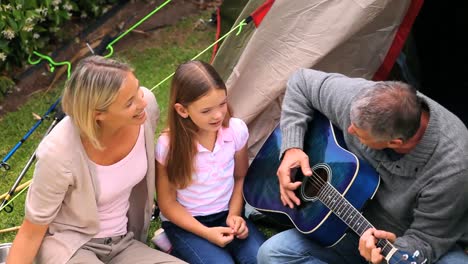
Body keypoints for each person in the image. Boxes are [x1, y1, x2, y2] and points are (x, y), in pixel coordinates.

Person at [257, 68, 468, 264]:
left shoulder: (453, 168)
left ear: (395, 143)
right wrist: (293, 146)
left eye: (358, 132)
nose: (348, 129)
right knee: (272, 252)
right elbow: (301, 81)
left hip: (396, 234)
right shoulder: (362, 100)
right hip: (341, 224)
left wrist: (389, 252)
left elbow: (426, 239)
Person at [7, 55, 185, 264]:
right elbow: (30, 233)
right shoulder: (58, 152)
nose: (142, 101)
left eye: (137, 89)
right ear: (98, 115)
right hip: (69, 246)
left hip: (123, 243)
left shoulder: (146, 110)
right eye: (129, 102)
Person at [155, 60, 266, 264]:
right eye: (206, 111)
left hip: (227, 213)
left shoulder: (235, 130)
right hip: (187, 224)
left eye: (222, 104)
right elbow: (167, 203)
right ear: (182, 110)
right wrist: (206, 233)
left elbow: (240, 177)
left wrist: (235, 215)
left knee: (261, 258)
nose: (218, 115)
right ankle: (174, 248)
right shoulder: (168, 146)